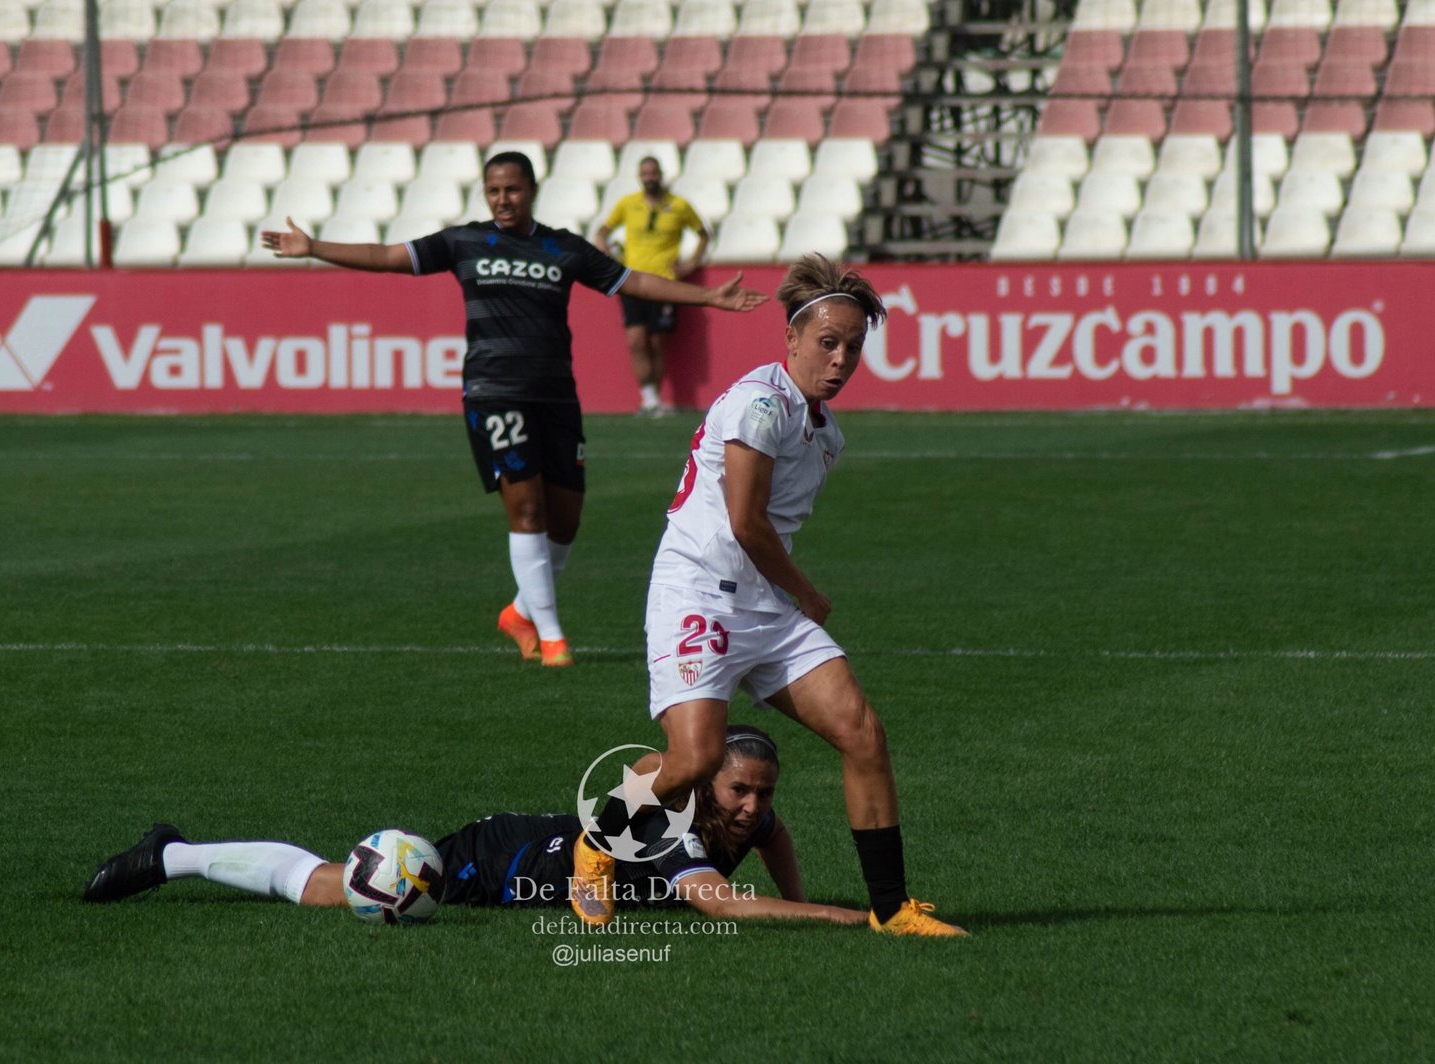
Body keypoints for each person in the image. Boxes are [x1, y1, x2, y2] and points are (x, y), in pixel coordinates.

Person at [572, 255, 970, 938]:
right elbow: (745, 523)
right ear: (790, 341)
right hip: (699, 594)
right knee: (694, 760)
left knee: (862, 733)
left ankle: (892, 910)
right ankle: (596, 843)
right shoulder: (760, 405)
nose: (841, 358)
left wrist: (788, 599)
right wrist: (809, 594)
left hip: (759, 605)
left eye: (853, 346)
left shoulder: (825, 433)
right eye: (827, 342)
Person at [261, 153, 764, 667]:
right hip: (494, 391)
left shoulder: (562, 247)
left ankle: (521, 613)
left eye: (513, 190)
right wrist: (314, 247)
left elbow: (631, 281)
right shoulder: (464, 242)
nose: (503, 200)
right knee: (527, 509)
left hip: (557, 395)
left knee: (565, 521)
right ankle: (552, 638)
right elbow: (388, 255)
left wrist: (707, 297)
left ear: (531, 190)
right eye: (494, 191)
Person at [83, 725, 869, 926]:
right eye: (740, 790)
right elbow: (713, 902)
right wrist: (832, 916)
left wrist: (800, 894)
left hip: (549, 848)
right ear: (710, 779)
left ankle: (173, 852)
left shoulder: (752, 821)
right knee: (339, 889)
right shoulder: (675, 824)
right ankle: (173, 856)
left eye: (763, 793)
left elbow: (775, 841)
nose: (753, 807)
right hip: (505, 858)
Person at [593, 157, 710, 416]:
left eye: (653, 173)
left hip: (664, 282)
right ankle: (648, 398)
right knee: (636, 340)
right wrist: (606, 251)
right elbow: (602, 230)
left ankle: (654, 398)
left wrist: (691, 263)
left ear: (660, 175)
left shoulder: (678, 206)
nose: (649, 178)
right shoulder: (628, 204)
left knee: (658, 342)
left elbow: (703, 233)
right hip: (632, 282)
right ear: (639, 176)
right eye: (645, 173)